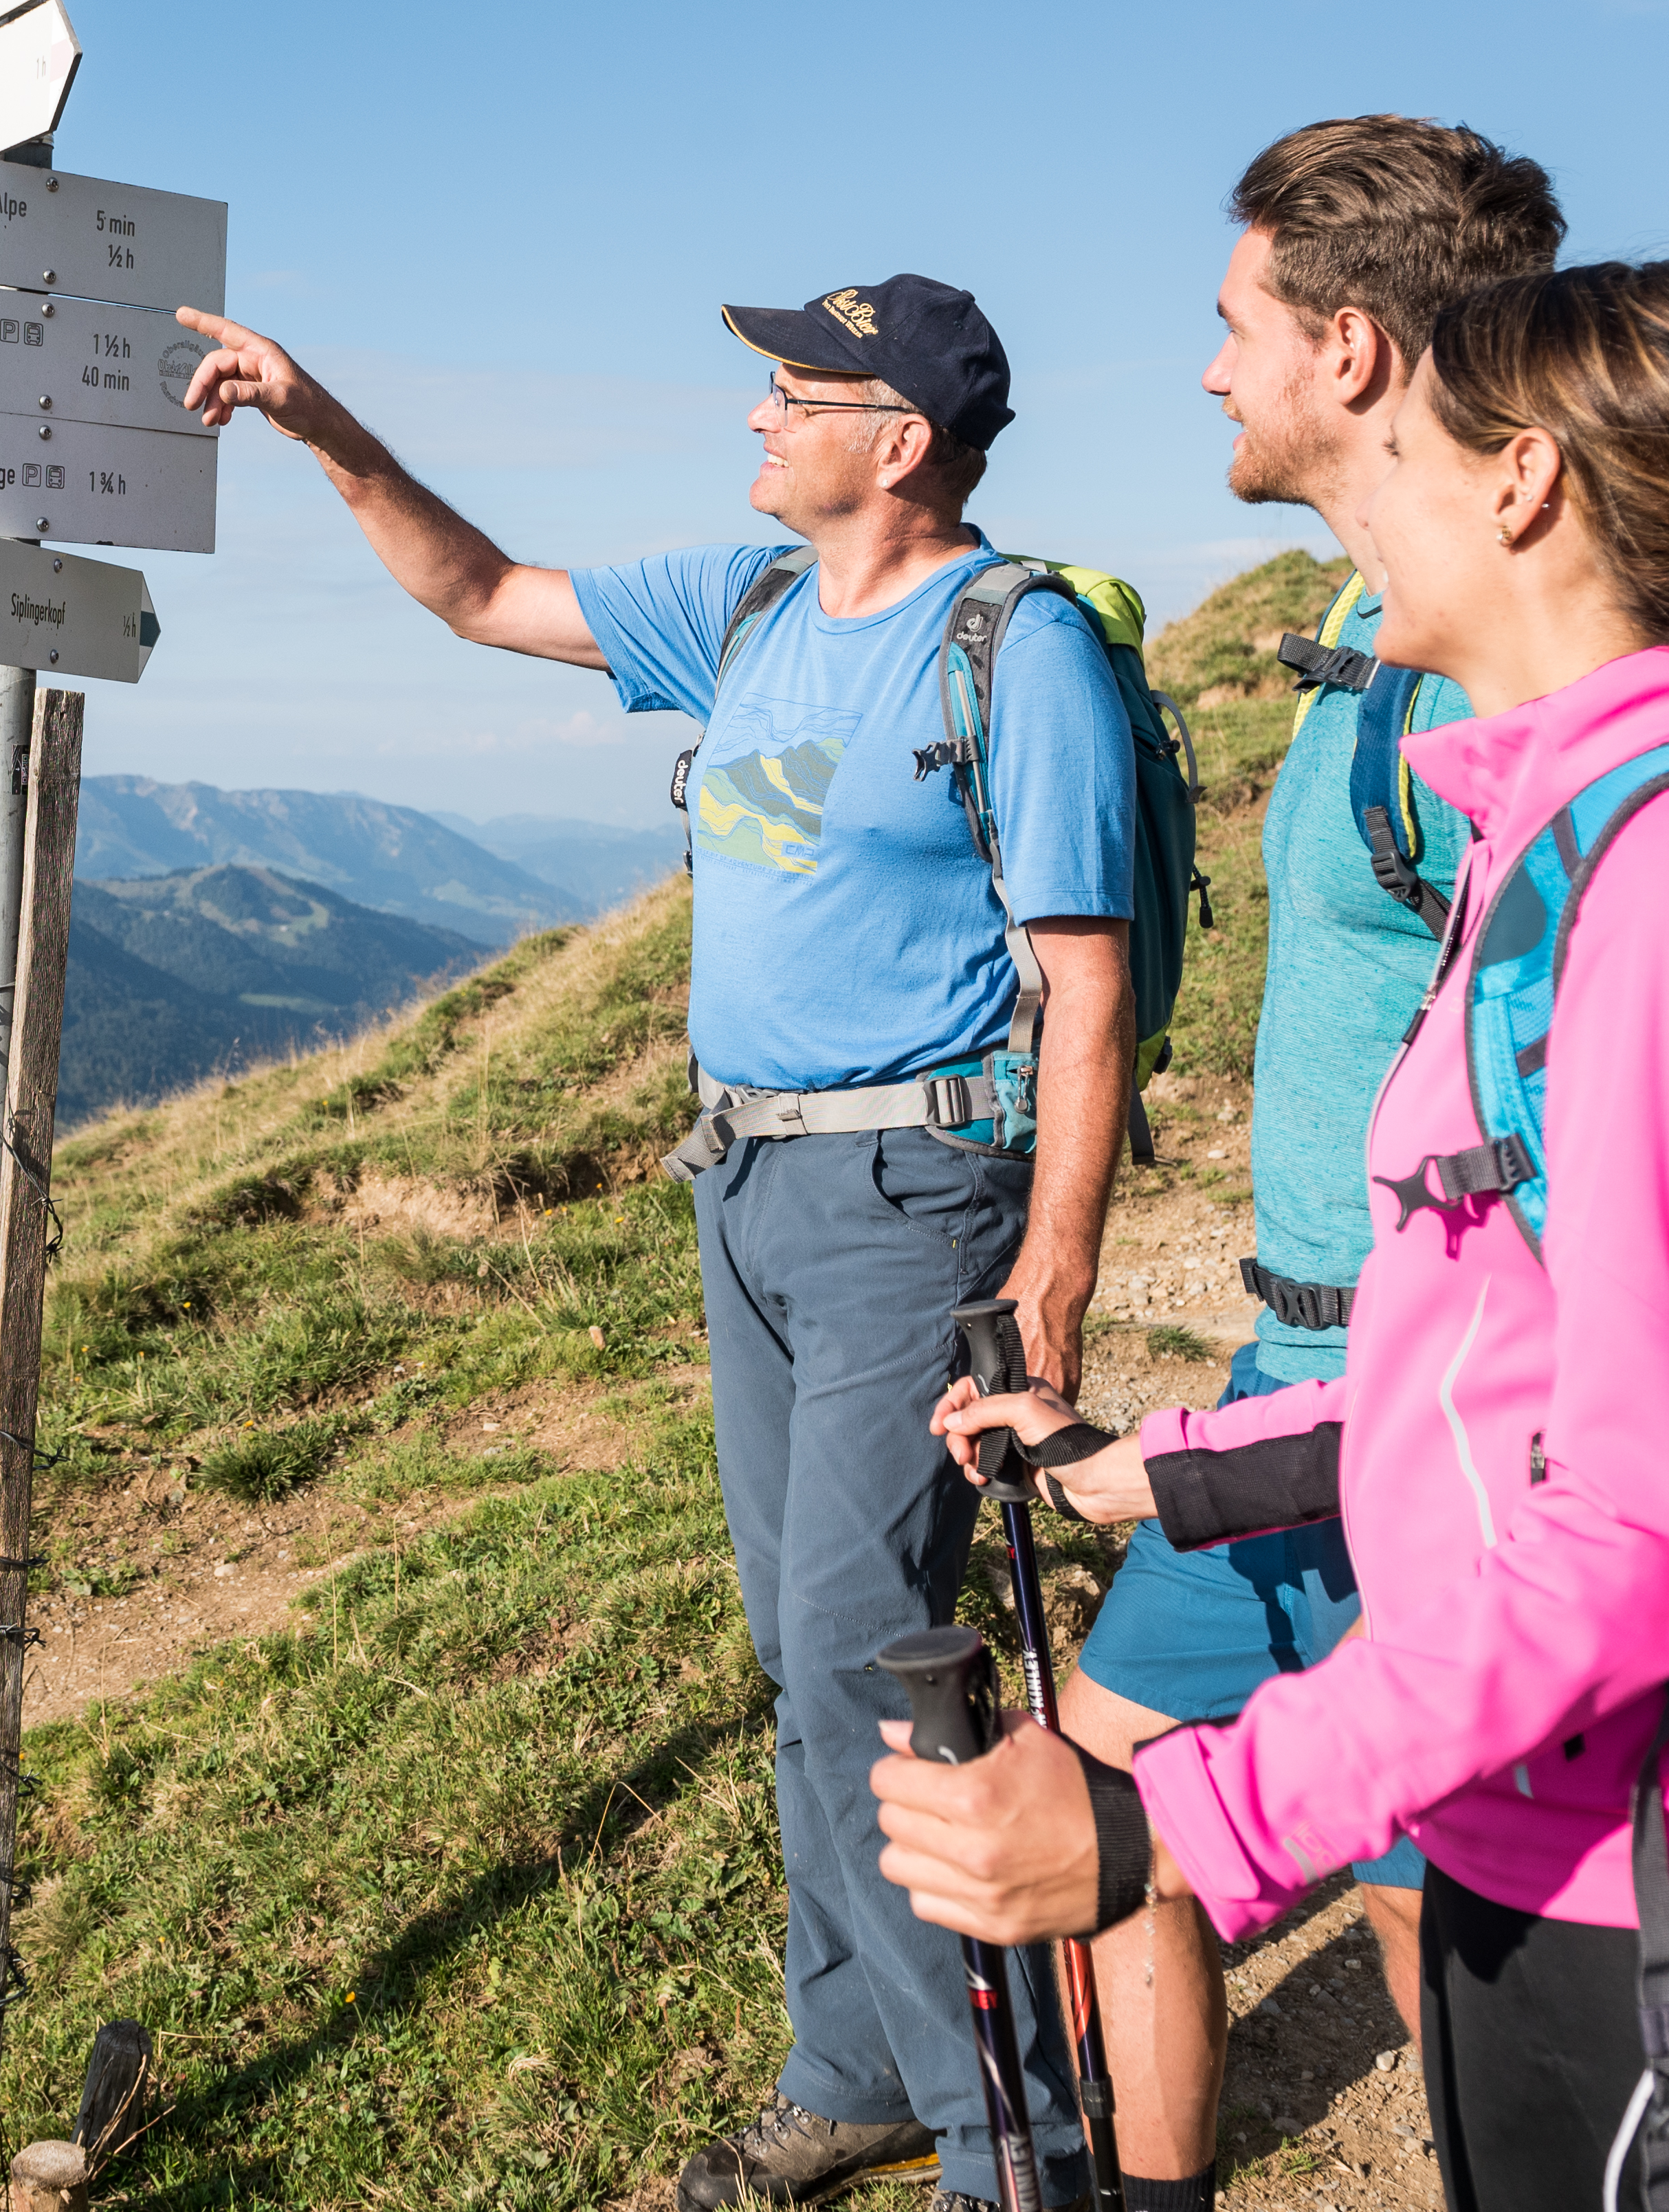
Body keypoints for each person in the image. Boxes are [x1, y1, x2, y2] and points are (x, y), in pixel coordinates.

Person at [880, 262, 1669, 2210]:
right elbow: (1490, 1345)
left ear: (1524, 485)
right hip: (1523, 1839)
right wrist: (1169, 1468)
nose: (1351, 488)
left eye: (1399, 446)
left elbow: (1637, 1534)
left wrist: (1170, 1833)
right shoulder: (1548, 843)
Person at [179, 277, 1138, 2211]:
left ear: (904, 441)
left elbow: (1087, 990)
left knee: (865, 1650)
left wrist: (1055, 1275)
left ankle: (1008, 2141)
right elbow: (481, 596)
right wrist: (326, 424)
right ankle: (854, 2065)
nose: (759, 417)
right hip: (747, 1190)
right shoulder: (749, 604)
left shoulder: (1014, 649)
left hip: (914, 1197)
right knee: (805, 1656)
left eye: (797, 391)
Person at [1052, 117, 1561, 2209]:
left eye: (1232, 323)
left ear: (1346, 348)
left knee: (1382, 1868)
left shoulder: (1503, 644)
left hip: (1408, 1387)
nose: (1208, 370)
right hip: (1299, 1358)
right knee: (1155, 1798)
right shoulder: (1382, 610)